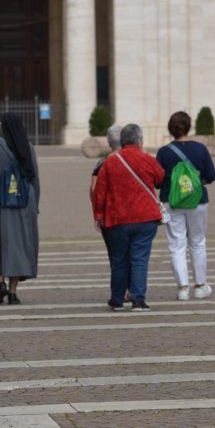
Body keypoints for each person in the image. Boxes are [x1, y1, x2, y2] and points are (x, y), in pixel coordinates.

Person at [92, 124, 165, 311]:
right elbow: (160, 179)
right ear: (139, 141)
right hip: (145, 218)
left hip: (117, 219)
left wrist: (98, 215)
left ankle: (117, 299)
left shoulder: (110, 162)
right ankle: (138, 300)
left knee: (119, 260)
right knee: (139, 259)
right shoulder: (147, 159)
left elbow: (99, 192)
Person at [0, 112, 40, 305]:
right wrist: (35, 204)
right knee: (19, 245)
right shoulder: (28, 147)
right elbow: (35, 178)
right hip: (23, 201)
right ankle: (13, 292)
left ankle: (0, 281)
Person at [155, 111, 215, 301]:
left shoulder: (164, 152)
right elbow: (212, 176)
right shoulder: (200, 149)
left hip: (171, 201)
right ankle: (200, 286)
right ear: (189, 127)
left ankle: (183, 288)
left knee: (176, 245)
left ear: (171, 130)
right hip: (197, 201)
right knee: (198, 242)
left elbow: (157, 181)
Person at [90, 124, 130, 299]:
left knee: (116, 256)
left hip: (109, 217)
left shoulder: (102, 163)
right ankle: (133, 290)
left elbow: (93, 190)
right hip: (133, 214)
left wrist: (97, 214)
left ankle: (119, 293)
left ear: (108, 142)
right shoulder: (133, 160)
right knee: (133, 254)